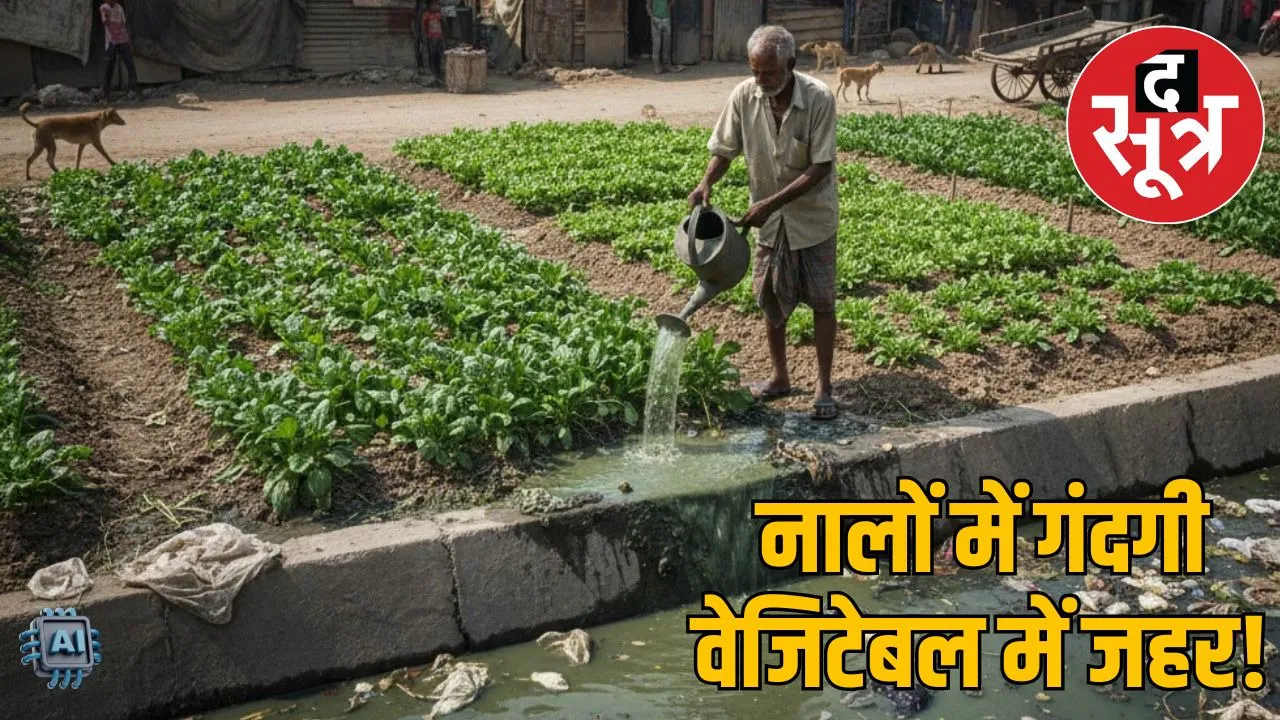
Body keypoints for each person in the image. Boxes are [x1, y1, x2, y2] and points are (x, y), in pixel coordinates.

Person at [689, 25, 840, 421]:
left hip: (813, 220)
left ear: (790, 65)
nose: (761, 80)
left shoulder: (819, 99)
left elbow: (820, 167)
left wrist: (768, 204)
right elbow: (724, 148)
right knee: (770, 300)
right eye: (755, 71)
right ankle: (780, 377)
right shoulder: (745, 96)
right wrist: (706, 182)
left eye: (769, 73)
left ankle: (824, 386)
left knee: (822, 302)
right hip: (769, 225)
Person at [99, 0, 137, 101]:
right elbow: (105, 22)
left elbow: (123, 23)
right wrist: (107, 15)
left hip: (123, 39)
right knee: (109, 66)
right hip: (111, 41)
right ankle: (105, 92)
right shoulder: (104, 7)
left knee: (130, 63)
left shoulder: (119, 7)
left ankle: (133, 89)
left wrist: (129, 39)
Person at [648, 0, 674, 74]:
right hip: (656, 19)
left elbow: (671, 2)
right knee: (657, 44)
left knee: (667, 44)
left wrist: (668, 10)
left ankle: (666, 66)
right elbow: (648, 6)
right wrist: (652, 17)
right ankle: (656, 67)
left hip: (666, 19)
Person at [423, 0, 446, 84]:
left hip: (439, 38)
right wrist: (426, 35)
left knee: (438, 55)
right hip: (431, 38)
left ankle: (439, 71)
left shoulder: (439, 15)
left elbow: (443, 26)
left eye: (437, 4)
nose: (436, 6)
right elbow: (425, 26)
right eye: (434, 4)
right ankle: (434, 72)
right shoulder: (427, 15)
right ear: (429, 6)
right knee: (432, 55)